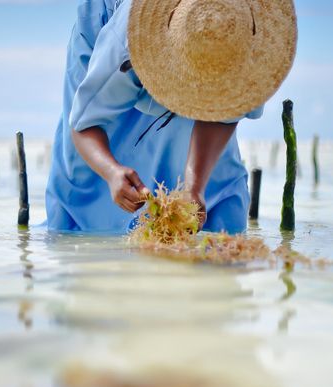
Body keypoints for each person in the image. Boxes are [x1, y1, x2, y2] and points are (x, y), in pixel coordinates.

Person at [45, 0, 297, 233]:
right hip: (118, 51)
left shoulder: (253, 36)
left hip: (204, 135)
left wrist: (194, 186)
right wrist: (111, 172)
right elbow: (84, 123)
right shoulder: (124, 42)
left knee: (217, 240)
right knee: (93, 219)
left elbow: (226, 115)